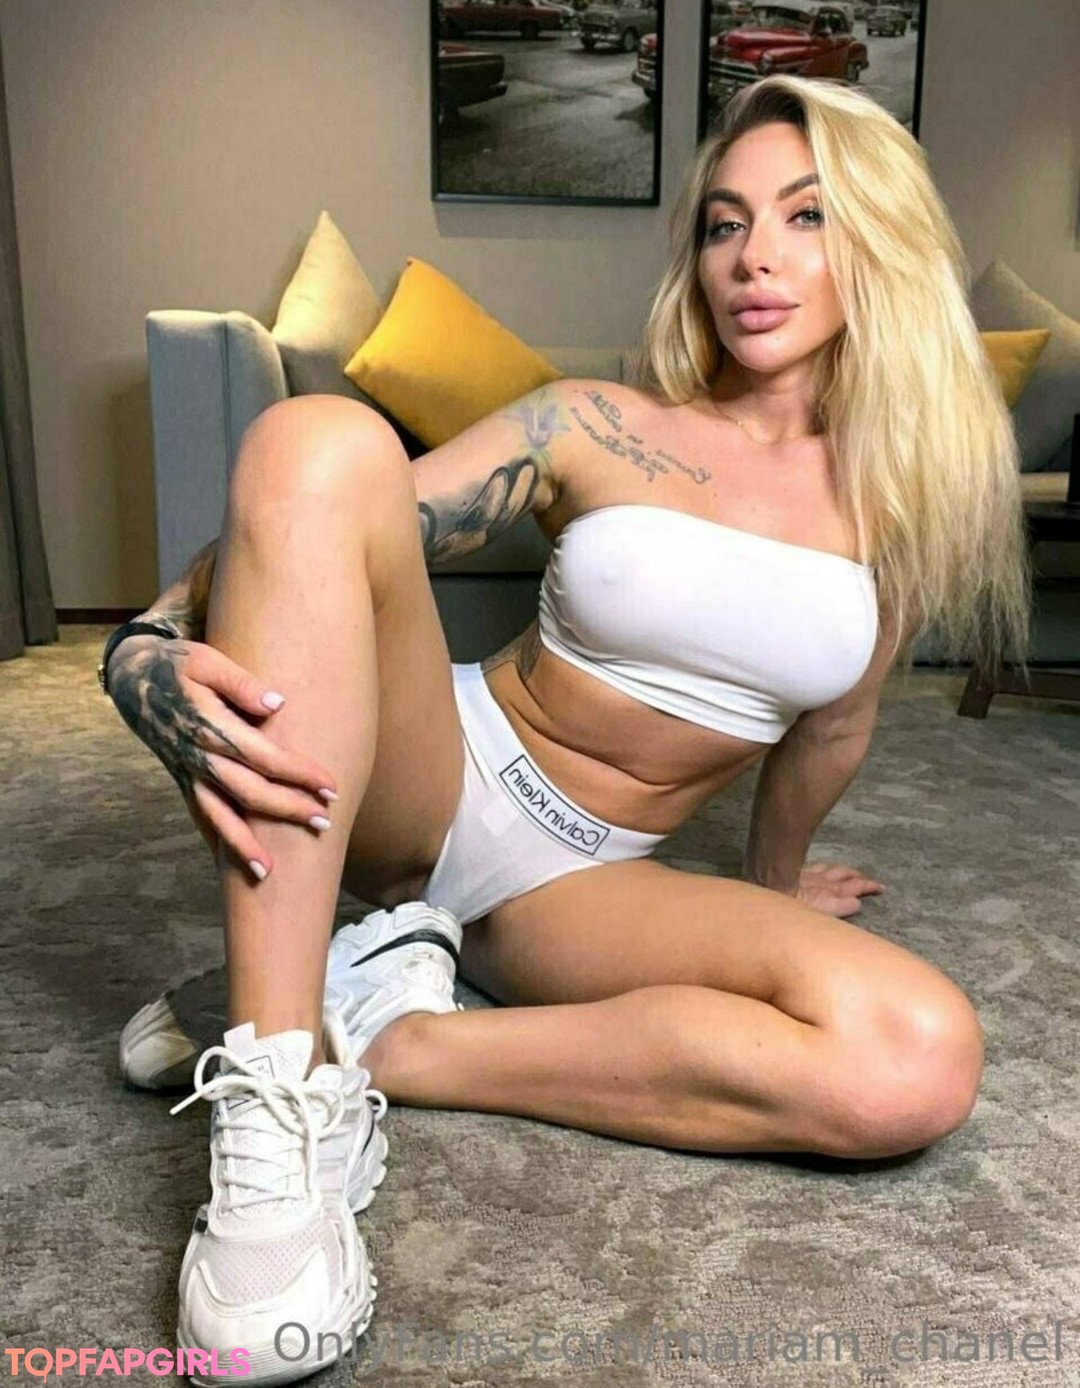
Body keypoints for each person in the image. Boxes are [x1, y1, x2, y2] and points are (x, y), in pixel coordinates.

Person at [102, 75, 1029, 1385]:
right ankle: (277, 1089)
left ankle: (384, 1028)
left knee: (915, 1060)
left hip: (581, 886)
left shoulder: (899, 514)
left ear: (881, 240)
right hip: (432, 774)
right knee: (316, 437)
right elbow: (313, 516)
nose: (753, 257)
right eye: (724, 222)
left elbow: (829, 736)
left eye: (806, 215)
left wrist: (770, 893)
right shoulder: (601, 424)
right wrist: (140, 645)